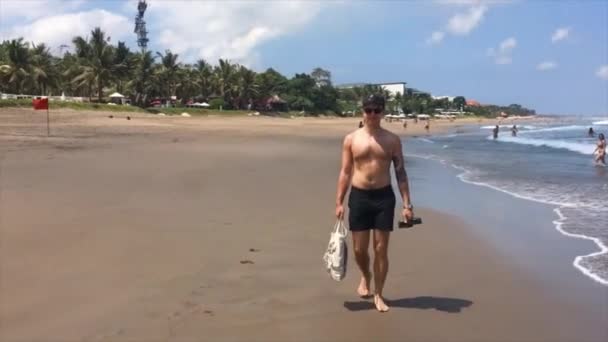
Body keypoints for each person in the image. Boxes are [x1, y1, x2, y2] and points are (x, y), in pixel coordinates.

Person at [335, 94, 414, 312]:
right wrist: (339, 201)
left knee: (381, 249)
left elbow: (400, 172)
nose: (372, 114)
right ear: (362, 111)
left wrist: (407, 205)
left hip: (383, 198)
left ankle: (379, 293)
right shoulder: (351, 139)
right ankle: (365, 275)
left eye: (376, 110)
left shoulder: (392, 140)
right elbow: (345, 171)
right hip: (359, 197)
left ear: (383, 113)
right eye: (368, 110)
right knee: (360, 250)